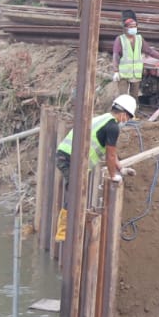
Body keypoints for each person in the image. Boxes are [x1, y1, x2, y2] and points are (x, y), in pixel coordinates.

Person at [53, 95, 135, 242]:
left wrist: (121, 169)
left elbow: (111, 153)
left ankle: (72, 225)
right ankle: (63, 232)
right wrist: (113, 175)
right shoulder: (113, 127)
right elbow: (110, 156)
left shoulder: (104, 119)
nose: (126, 121)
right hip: (70, 159)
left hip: (69, 157)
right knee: (74, 192)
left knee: (76, 191)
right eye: (128, 118)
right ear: (123, 113)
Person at [111, 10, 159, 99]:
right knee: (123, 98)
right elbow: (116, 55)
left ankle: (133, 113)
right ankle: (122, 113)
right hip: (123, 75)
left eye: (135, 26)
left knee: (134, 98)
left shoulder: (139, 39)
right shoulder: (120, 39)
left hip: (135, 75)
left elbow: (149, 51)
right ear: (126, 28)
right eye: (131, 27)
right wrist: (116, 71)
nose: (133, 28)